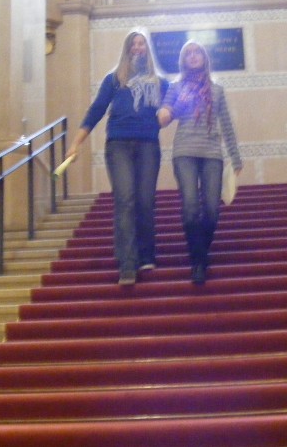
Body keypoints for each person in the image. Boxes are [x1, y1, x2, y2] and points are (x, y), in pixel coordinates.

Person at [66, 30, 168, 286]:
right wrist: (76, 143)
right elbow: (96, 110)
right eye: (133, 44)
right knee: (125, 200)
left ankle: (146, 255)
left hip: (148, 145)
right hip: (118, 144)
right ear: (127, 49)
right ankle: (127, 264)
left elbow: (172, 108)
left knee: (145, 201)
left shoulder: (161, 82)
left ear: (147, 49)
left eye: (141, 44)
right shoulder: (113, 79)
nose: (138, 48)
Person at [157, 41, 242, 284]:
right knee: (191, 207)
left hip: (212, 153)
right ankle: (198, 262)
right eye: (188, 54)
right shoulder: (176, 87)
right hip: (184, 152)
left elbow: (226, 124)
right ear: (183, 60)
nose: (193, 56)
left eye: (197, 53)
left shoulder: (217, 90)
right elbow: (163, 118)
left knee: (212, 211)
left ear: (205, 57)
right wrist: (177, 105)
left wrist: (235, 157)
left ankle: (200, 252)